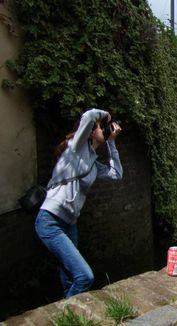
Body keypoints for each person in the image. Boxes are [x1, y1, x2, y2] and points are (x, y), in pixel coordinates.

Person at [35, 108, 123, 298]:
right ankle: (66, 314)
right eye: (101, 128)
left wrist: (111, 143)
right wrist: (106, 115)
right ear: (91, 131)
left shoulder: (92, 161)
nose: (104, 130)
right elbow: (90, 116)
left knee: (68, 279)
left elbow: (116, 174)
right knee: (84, 276)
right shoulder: (75, 148)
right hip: (50, 222)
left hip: (70, 224)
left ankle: (69, 313)